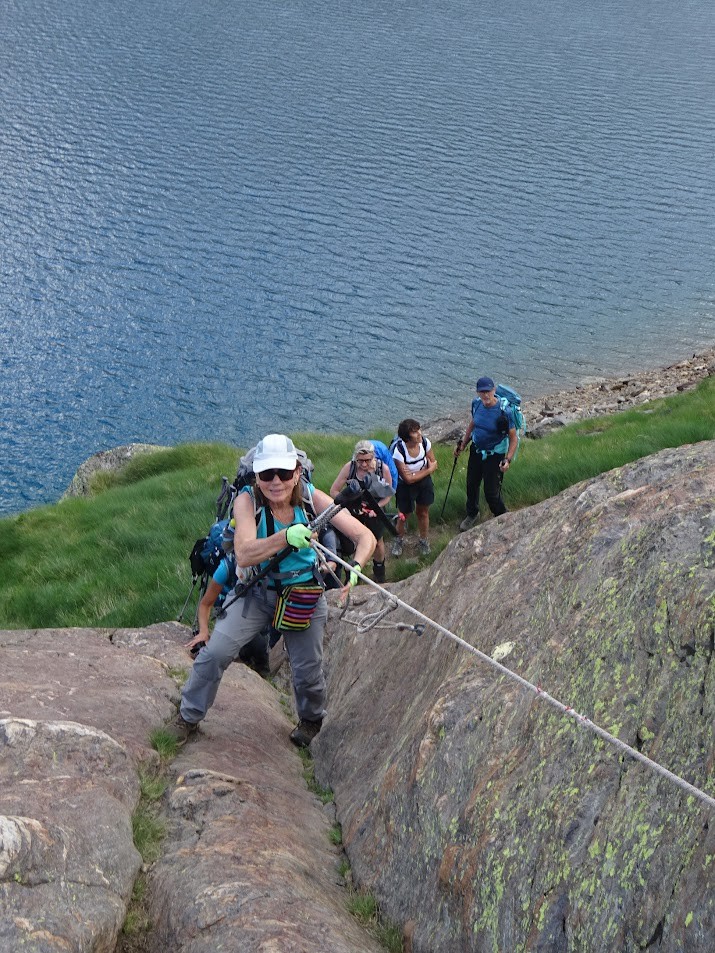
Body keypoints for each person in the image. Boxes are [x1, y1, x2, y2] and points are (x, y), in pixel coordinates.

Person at [168, 434, 375, 748]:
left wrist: (356, 567)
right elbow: (246, 552)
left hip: (303, 594)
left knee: (307, 670)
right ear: (257, 476)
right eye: (266, 474)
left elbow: (364, 536)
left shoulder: (312, 499)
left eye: (283, 473)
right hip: (256, 593)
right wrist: (287, 537)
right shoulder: (246, 501)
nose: (275, 481)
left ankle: (310, 721)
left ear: (296, 473)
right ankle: (188, 716)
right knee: (216, 654)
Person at [186, 554, 270, 676]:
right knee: (258, 644)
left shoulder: (266, 563)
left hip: (256, 608)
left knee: (264, 638)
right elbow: (205, 604)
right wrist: (203, 632)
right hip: (231, 612)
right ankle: (262, 674)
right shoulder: (225, 568)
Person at [454, 376, 518, 530]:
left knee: (491, 492)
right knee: (471, 485)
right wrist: (463, 443)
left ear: (494, 390)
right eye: (482, 392)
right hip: (476, 450)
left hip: (495, 455)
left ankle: (502, 516)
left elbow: (513, 438)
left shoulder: (505, 411)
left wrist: (507, 459)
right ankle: (472, 514)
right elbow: (473, 423)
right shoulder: (476, 404)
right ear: (477, 392)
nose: (485, 395)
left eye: (488, 391)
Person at [330, 439, 394, 583]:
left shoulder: (382, 469)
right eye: (360, 461)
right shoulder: (349, 468)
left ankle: (379, 574)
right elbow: (334, 491)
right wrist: (348, 503)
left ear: (373, 456)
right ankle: (353, 575)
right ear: (355, 458)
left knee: (377, 542)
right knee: (355, 541)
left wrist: (376, 509)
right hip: (353, 510)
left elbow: (388, 494)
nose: (364, 464)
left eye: (367, 460)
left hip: (375, 509)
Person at [391, 419, 438, 557]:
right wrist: (427, 471)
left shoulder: (425, 443)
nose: (419, 434)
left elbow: (433, 462)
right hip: (405, 487)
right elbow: (408, 479)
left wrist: (415, 474)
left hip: (424, 484)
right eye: (414, 432)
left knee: (423, 512)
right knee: (404, 515)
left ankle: (424, 540)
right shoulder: (398, 451)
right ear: (406, 437)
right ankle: (398, 540)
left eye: (419, 430)